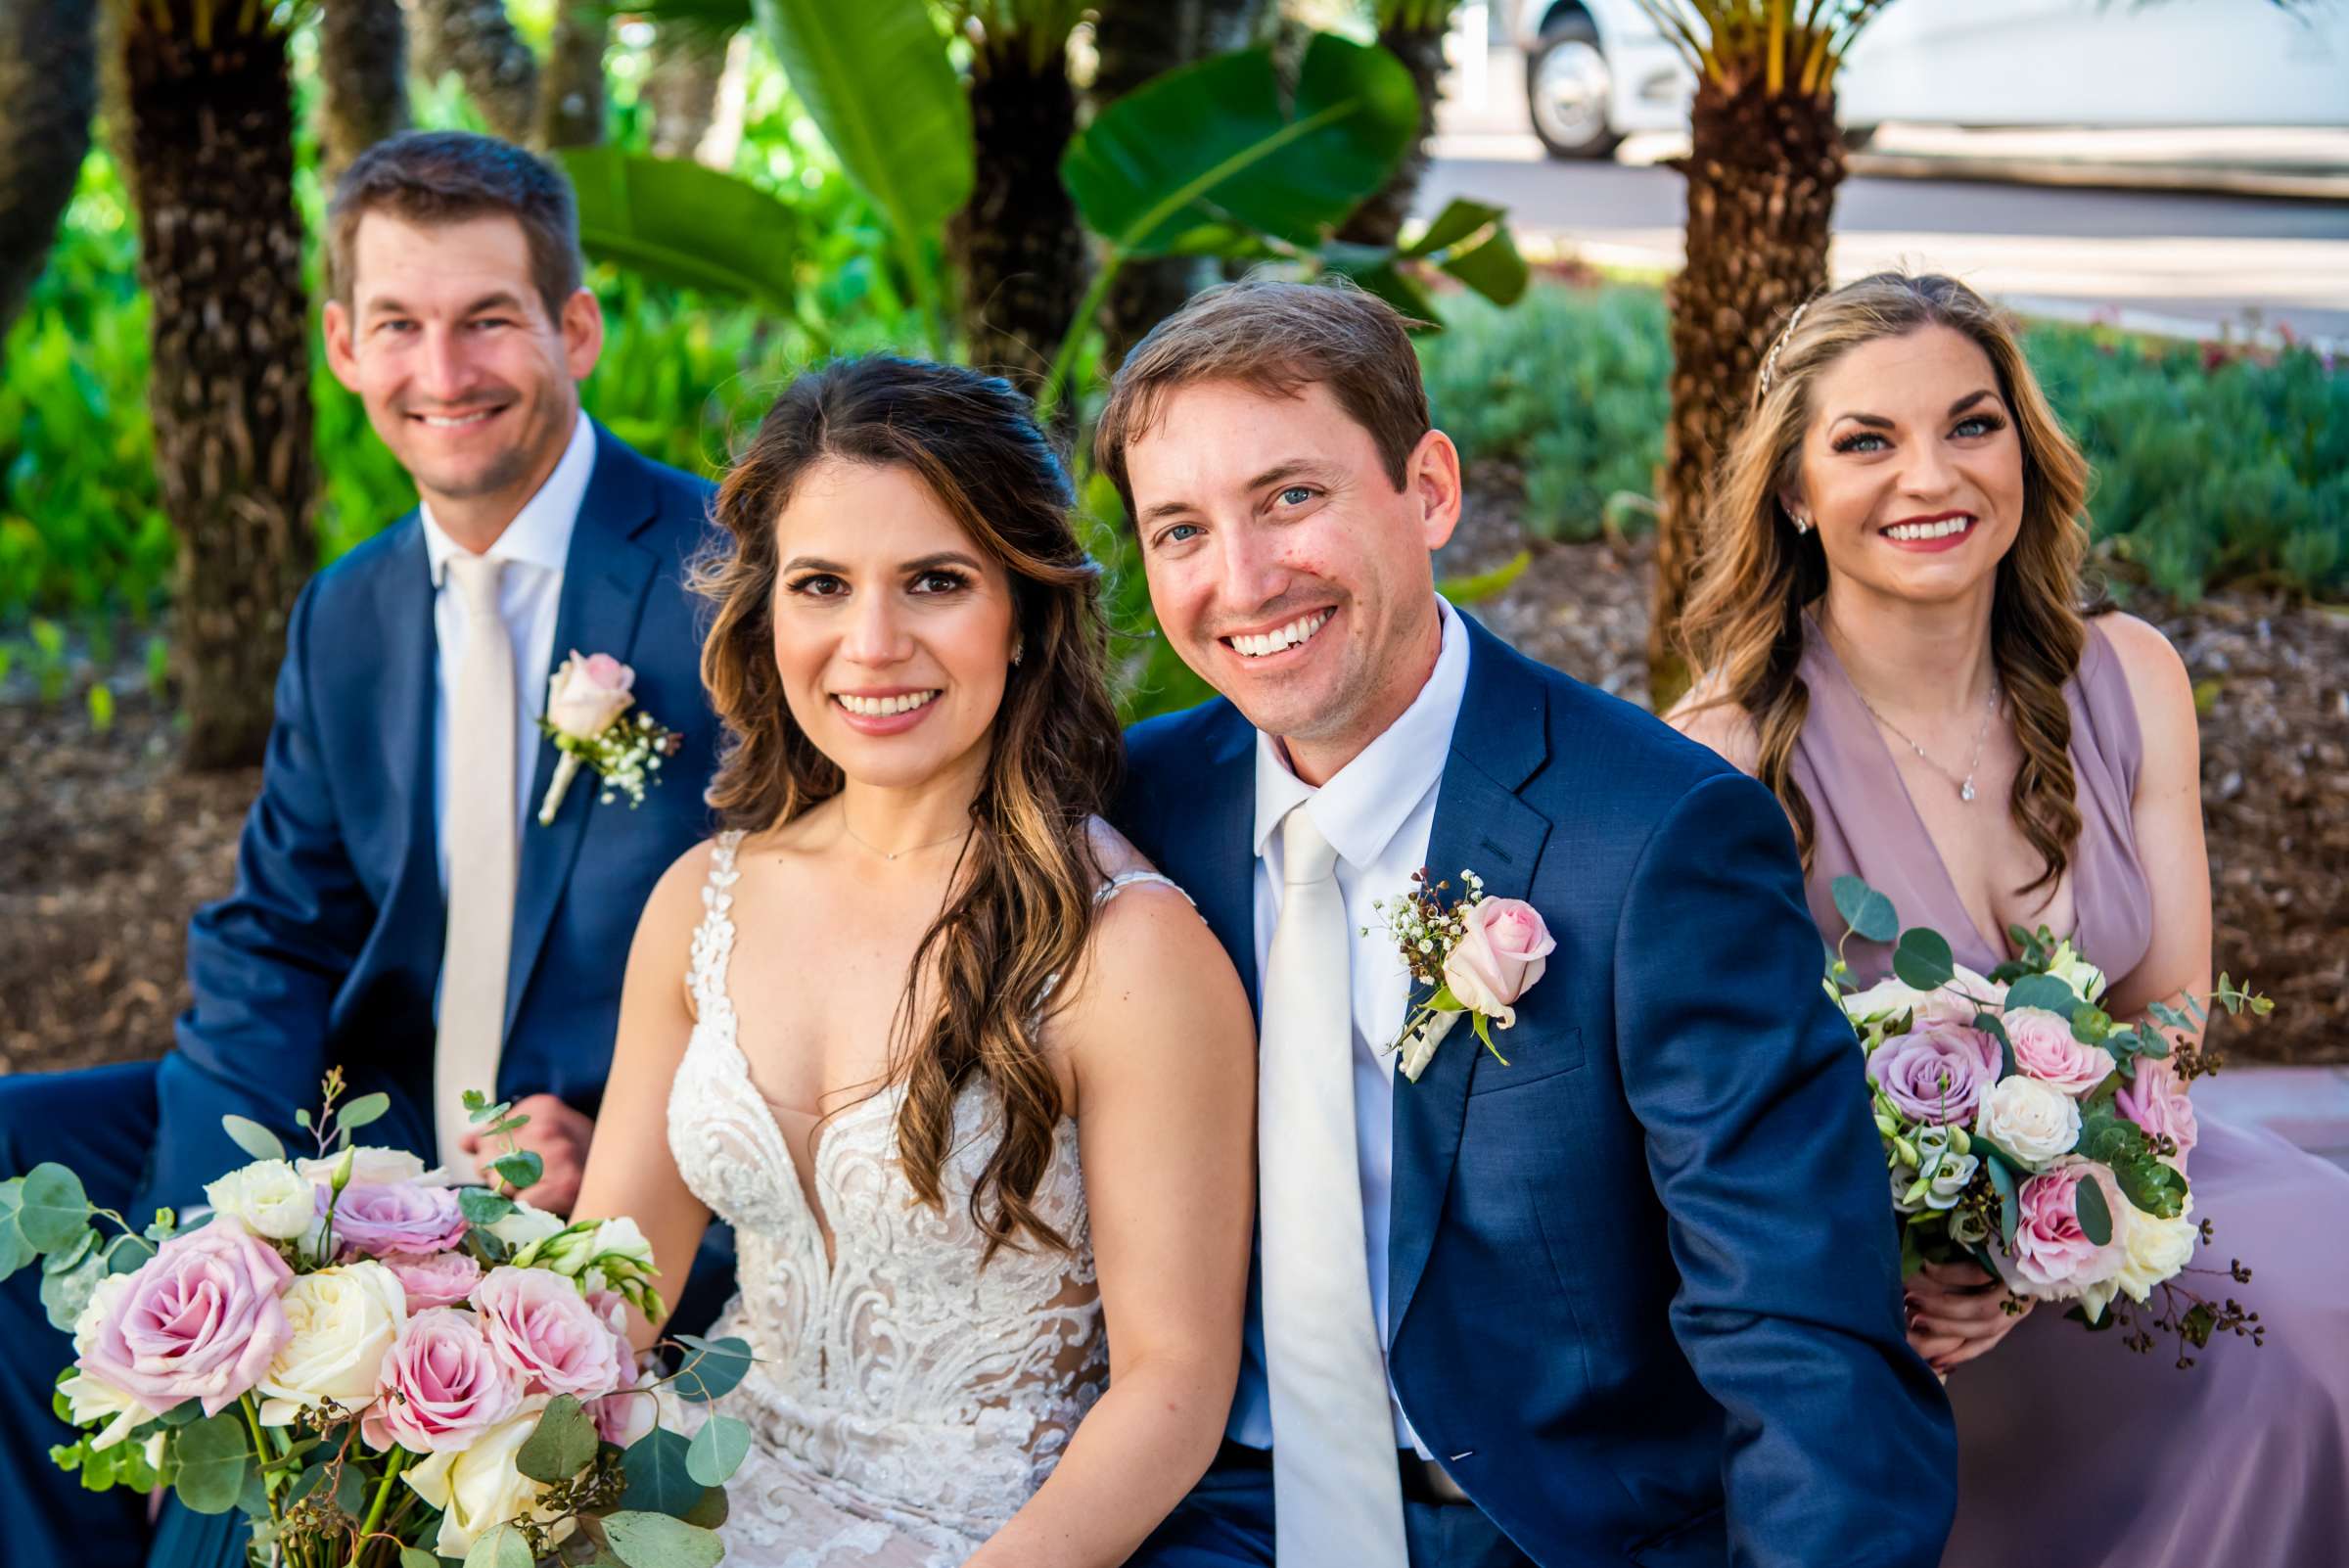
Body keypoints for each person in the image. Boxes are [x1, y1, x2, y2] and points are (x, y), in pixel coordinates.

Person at [1102, 277, 1956, 1568]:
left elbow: (1795, 1319)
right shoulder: (1134, 808)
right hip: (1214, 1517)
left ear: (1429, 489)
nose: (1244, 576)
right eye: (1180, 530)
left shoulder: (1655, 833)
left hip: (1545, 1533)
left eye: (1292, 496)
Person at [0, 130, 728, 1567]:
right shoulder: (347, 610)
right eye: (398, 323)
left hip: (585, 1160)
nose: (441, 371)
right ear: (342, 344)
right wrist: (194, 1246)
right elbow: (277, 930)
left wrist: (638, 1134)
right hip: (370, 1118)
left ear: (574, 327)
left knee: (264, 1486)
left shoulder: (720, 578)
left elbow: (807, 919)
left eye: (487, 320)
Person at [1670, 269, 2349, 1568]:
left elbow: (2172, 1014)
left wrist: (2064, 1210)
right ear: (1797, 492)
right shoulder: (1725, 750)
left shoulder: (2130, 679)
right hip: (1888, 1293)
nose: (1931, 476)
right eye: (1866, 441)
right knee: (2282, 1368)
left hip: (2126, 1204)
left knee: (2331, 1288)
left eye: (1971, 426)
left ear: (2024, 455)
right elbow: (1710, 1106)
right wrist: (1949, 1255)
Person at [568, 354, 1257, 1566]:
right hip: (701, 1501)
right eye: (822, 585)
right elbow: (607, 1295)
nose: (872, 644)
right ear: (767, 609)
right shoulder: (700, 901)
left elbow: (1173, 1391)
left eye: (935, 582)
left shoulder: (1125, 949)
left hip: (992, 1539)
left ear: (1026, 610)